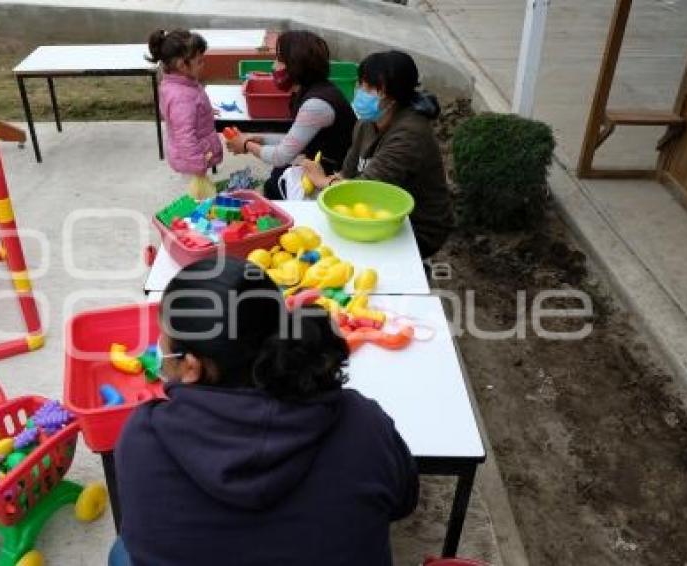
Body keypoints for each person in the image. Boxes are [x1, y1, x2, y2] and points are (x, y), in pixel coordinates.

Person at [111, 257, 418, 566]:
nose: (158, 345)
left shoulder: (144, 438)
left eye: (163, 337)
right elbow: (403, 503)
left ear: (191, 367)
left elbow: (143, 534)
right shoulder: (361, 422)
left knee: (122, 552)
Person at [302, 51, 453, 259]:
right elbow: (348, 174)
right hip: (376, 214)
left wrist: (321, 180)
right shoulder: (366, 123)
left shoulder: (410, 134)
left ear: (391, 94)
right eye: (360, 84)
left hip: (415, 226)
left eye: (369, 88)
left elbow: (364, 189)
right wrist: (331, 180)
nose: (360, 92)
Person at [225, 31, 356, 200]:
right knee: (274, 181)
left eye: (279, 60)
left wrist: (246, 144)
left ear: (296, 65)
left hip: (332, 176)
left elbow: (280, 156)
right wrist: (261, 140)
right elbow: (296, 140)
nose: (273, 67)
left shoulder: (316, 105)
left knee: (276, 183)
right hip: (316, 162)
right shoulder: (308, 90)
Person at [148, 29, 222, 199]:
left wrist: (205, 111)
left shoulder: (182, 85)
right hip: (193, 162)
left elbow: (189, 112)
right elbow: (185, 136)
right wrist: (198, 165)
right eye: (199, 61)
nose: (203, 65)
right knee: (200, 201)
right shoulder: (181, 97)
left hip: (193, 157)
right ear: (182, 65)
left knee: (201, 198)